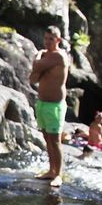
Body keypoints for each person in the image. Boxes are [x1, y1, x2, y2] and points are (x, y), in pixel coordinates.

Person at [29, 26, 70, 188]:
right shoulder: (47, 56)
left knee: (55, 140)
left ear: (58, 40)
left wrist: (38, 56)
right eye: (45, 38)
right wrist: (39, 65)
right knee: (47, 138)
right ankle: (51, 170)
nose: (47, 42)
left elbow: (36, 66)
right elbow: (33, 79)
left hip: (55, 105)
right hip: (42, 102)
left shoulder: (59, 56)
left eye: (51, 39)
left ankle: (58, 175)